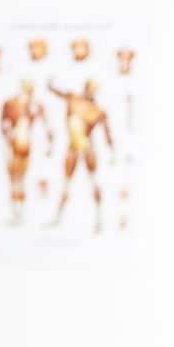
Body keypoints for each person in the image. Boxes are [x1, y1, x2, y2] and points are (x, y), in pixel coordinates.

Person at [47, 77, 115, 233]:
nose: (90, 92)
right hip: (73, 147)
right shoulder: (73, 99)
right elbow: (58, 93)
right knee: (66, 182)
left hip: (87, 147)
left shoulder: (98, 111)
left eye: (93, 89)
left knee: (93, 181)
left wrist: (112, 151)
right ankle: (57, 217)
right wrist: (49, 84)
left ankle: (99, 219)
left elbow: (107, 133)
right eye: (89, 88)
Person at [0, 78, 53, 226]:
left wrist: (49, 144)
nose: (29, 92)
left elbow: (46, 126)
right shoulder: (10, 104)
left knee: (20, 180)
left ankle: (20, 215)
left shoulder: (35, 106)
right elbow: (3, 124)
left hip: (25, 146)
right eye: (26, 89)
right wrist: (10, 134)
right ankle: (15, 214)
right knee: (13, 180)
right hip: (13, 144)